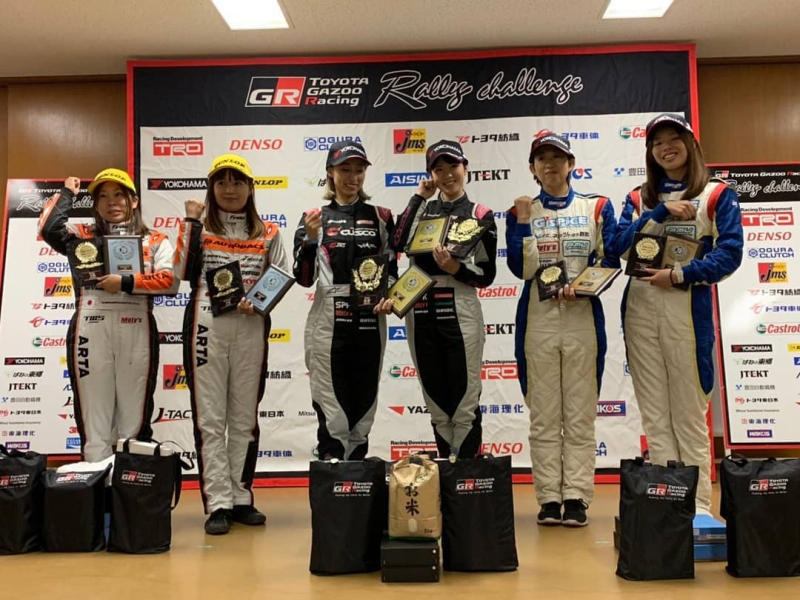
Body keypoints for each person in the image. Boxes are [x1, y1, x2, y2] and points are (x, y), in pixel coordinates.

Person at [615, 113, 743, 515]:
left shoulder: (717, 194)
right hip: (640, 306)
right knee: (655, 413)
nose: (665, 147)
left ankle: (699, 507)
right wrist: (657, 214)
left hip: (686, 307)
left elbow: (730, 254)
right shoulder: (638, 197)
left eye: (674, 139)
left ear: (690, 144)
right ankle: (667, 505)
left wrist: (680, 274)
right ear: (650, 152)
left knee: (689, 413)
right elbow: (617, 246)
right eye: (657, 143)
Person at [506, 132, 618, 527]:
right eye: (542, 158)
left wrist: (583, 286)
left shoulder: (596, 207)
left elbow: (610, 259)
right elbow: (522, 270)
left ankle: (576, 497)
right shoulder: (520, 210)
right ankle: (549, 498)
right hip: (537, 318)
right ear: (532, 168)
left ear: (571, 164)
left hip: (581, 316)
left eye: (558, 157)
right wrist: (523, 222)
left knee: (580, 413)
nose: (550, 164)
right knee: (544, 415)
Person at [174, 153, 288, 535]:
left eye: (237, 181)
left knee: (244, 418)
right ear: (211, 187)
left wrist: (259, 302)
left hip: (251, 324)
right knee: (210, 419)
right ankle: (218, 502)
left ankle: (240, 497)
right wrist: (191, 223)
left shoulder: (268, 231)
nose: (229, 189)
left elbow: (281, 273)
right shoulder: (200, 226)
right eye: (221, 182)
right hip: (207, 325)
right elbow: (181, 272)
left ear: (250, 187)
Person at [38, 169, 177, 462]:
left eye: (118, 195)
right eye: (102, 196)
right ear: (95, 204)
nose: (111, 202)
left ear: (134, 201)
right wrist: (67, 194)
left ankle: (130, 484)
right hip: (91, 326)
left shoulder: (155, 239)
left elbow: (169, 282)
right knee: (94, 418)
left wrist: (125, 282)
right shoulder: (82, 235)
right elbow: (49, 229)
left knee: (134, 418)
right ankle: (97, 485)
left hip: (137, 327)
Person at [392, 140, 497, 459]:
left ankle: (466, 475)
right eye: (439, 169)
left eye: (453, 166)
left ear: (466, 168)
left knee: (465, 397)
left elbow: (487, 274)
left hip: (459, 302)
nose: (448, 174)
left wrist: (456, 268)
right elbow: (397, 241)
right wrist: (418, 197)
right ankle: (447, 474)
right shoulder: (423, 208)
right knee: (435, 397)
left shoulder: (480, 214)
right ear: (431, 175)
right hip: (420, 304)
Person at [293, 141, 397, 461]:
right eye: (345, 170)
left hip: (370, 315)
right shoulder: (314, 217)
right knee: (330, 400)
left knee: (364, 400)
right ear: (330, 173)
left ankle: (357, 475)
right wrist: (310, 241)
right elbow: (304, 278)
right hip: (329, 316)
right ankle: (333, 467)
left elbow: (392, 271)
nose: (353, 177)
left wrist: (390, 296)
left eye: (359, 170)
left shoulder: (381, 217)